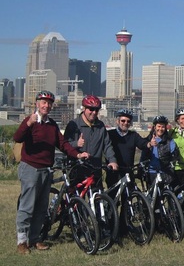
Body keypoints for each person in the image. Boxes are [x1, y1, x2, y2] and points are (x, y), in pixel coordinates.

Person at [13, 91, 89, 254]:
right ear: (37, 104)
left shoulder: (52, 125)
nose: (46, 105)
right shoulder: (30, 120)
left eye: (49, 103)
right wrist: (28, 124)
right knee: (27, 206)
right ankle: (21, 241)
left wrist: (77, 154)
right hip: (30, 168)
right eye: (43, 102)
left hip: (46, 169)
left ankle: (35, 239)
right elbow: (17, 137)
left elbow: (62, 145)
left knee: (41, 207)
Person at [64, 95, 118, 185]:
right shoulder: (74, 125)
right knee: (76, 198)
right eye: (91, 109)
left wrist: (112, 161)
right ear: (84, 108)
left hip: (95, 170)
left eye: (96, 110)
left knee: (98, 197)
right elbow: (64, 145)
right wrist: (76, 143)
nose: (94, 112)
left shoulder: (100, 126)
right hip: (78, 170)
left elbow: (107, 145)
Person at [107, 109, 151, 190]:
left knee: (128, 199)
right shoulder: (110, 134)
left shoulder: (133, 135)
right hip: (113, 172)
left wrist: (149, 144)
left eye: (128, 121)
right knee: (112, 199)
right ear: (118, 121)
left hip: (128, 172)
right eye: (123, 121)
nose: (125, 123)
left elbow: (142, 143)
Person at [140, 115, 179, 187]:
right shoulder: (147, 140)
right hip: (151, 173)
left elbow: (175, 155)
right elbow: (143, 158)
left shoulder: (169, 141)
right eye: (158, 126)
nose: (160, 129)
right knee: (153, 197)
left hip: (165, 173)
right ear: (154, 127)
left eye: (163, 127)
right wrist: (149, 145)